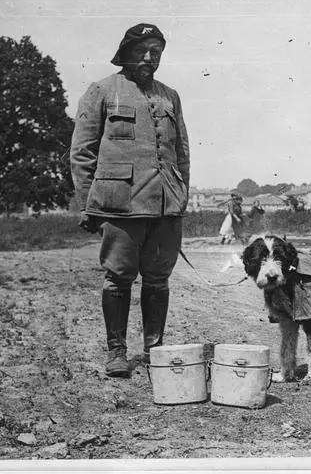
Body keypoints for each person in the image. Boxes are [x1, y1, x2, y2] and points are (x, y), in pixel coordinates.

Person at [70, 23, 190, 378]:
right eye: (142, 50)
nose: (150, 58)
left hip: (165, 205)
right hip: (119, 204)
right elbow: (81, 153)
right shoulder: (102, 91)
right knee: (119, 278)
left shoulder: (170, 96)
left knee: (158, 279)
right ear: (126, 51)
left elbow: (181, 153)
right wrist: (86, 204)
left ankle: (154, 350)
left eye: (156, 51)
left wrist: (180, 196)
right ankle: (117, 352)